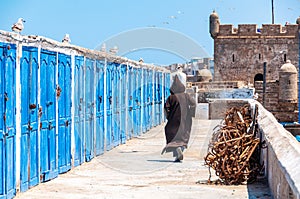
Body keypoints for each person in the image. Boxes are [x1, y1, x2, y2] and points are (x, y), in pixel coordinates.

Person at [162, 75, 196, 162]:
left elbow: (166, 108)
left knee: (171, 133)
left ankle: (177, 151)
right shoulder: (186, 96)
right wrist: (191, 113)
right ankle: (180, 148)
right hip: (185, 119)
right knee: (184, 134)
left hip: (173, 120)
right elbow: (193, 103)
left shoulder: (171, 97)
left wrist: (169, 116)